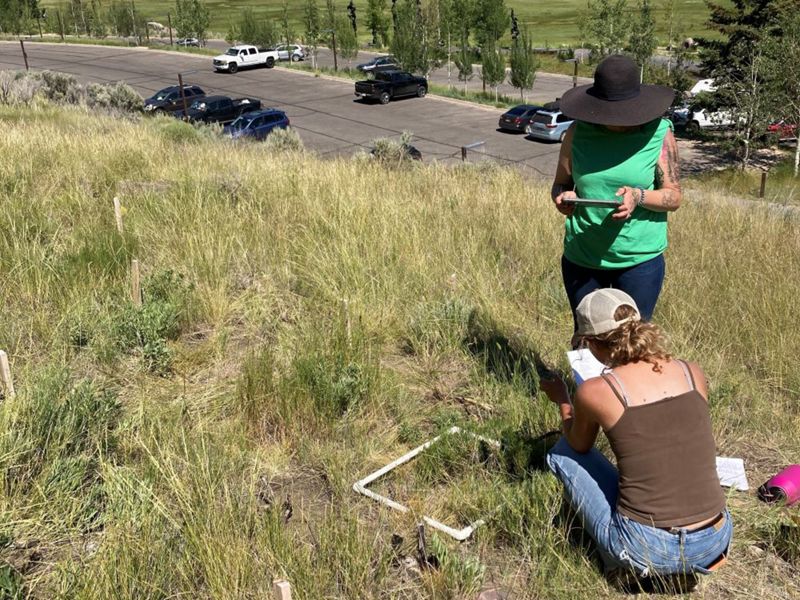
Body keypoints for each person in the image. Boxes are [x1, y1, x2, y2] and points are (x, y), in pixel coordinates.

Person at [541, 288, 732, 578]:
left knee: (561, 454)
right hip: (717, 536)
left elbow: (578, 444)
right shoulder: (691, 371)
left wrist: (564, 400)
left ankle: (620, 565)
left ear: (592, 343)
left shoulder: (596, 391)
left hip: (648, 547)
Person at [551, 54, 683, 325]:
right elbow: (561, 183)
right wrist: (564, 198)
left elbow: (674, 196)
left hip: (638, 261)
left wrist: (638, 196)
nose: (616, 120)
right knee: (588, 341)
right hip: (583, 257)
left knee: (632, 344)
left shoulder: (659, 133)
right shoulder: (578, 132)